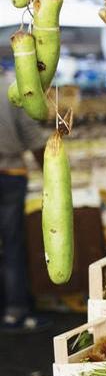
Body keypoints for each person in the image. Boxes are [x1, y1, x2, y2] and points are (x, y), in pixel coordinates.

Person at [0, 70, 49, 330]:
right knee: (12, 245)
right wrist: (52, 177)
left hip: (11, 176)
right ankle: (15, 311)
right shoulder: (11, 92)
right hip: (10, 176)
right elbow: (33, 137)